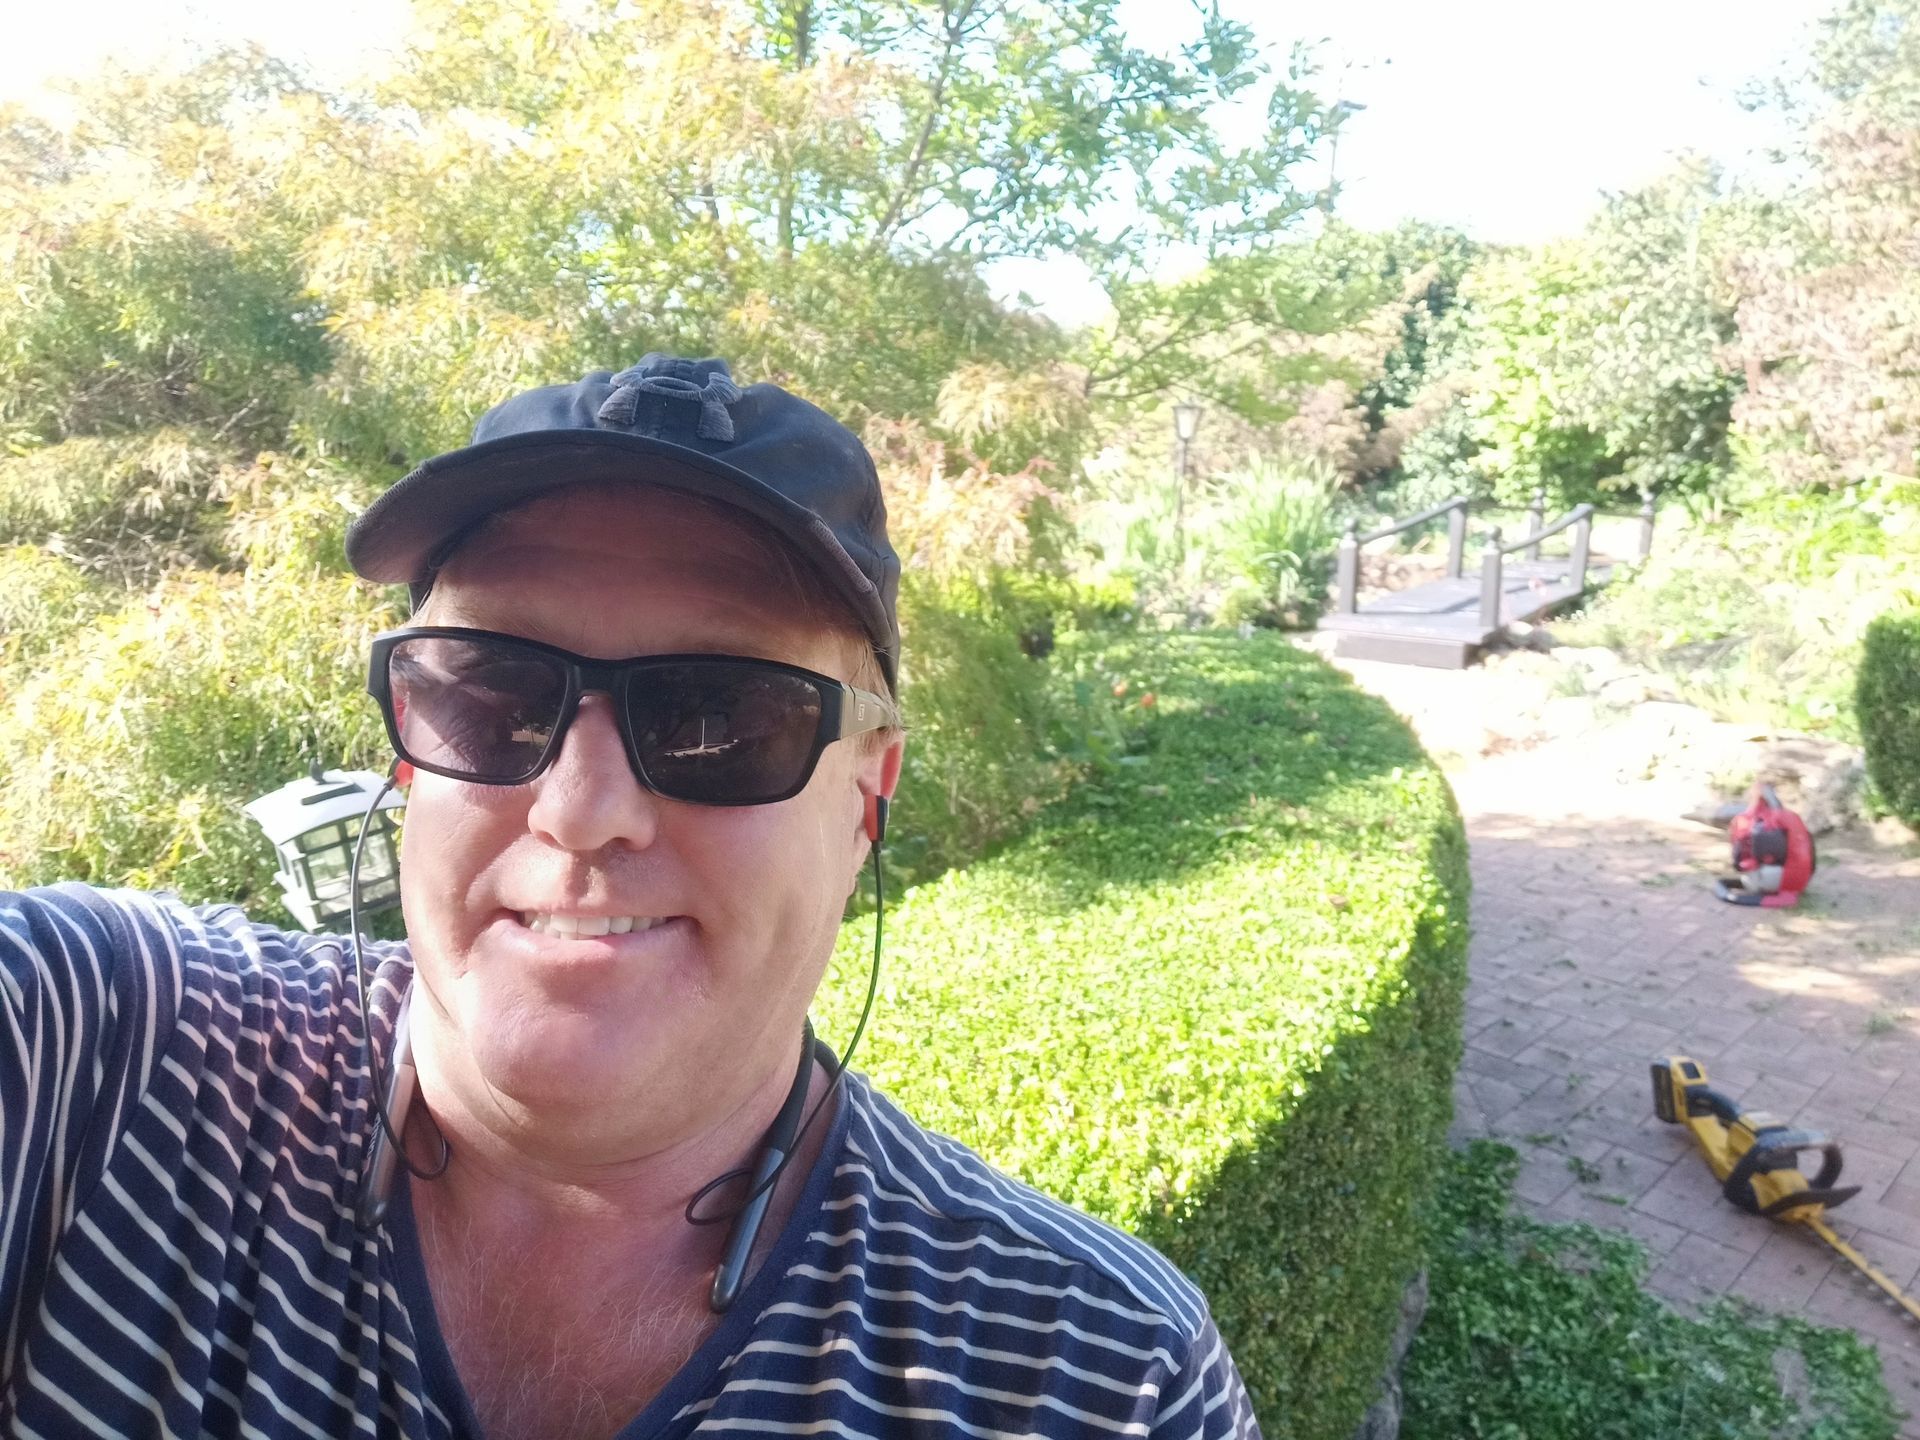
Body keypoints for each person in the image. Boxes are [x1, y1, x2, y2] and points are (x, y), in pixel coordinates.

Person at [1, 354, 1260, 1438]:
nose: (579, 808)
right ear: (406, 740)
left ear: (867, 793)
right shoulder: (98, 1059)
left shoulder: (1089, 1378)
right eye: (491, 692)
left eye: (717, 715)